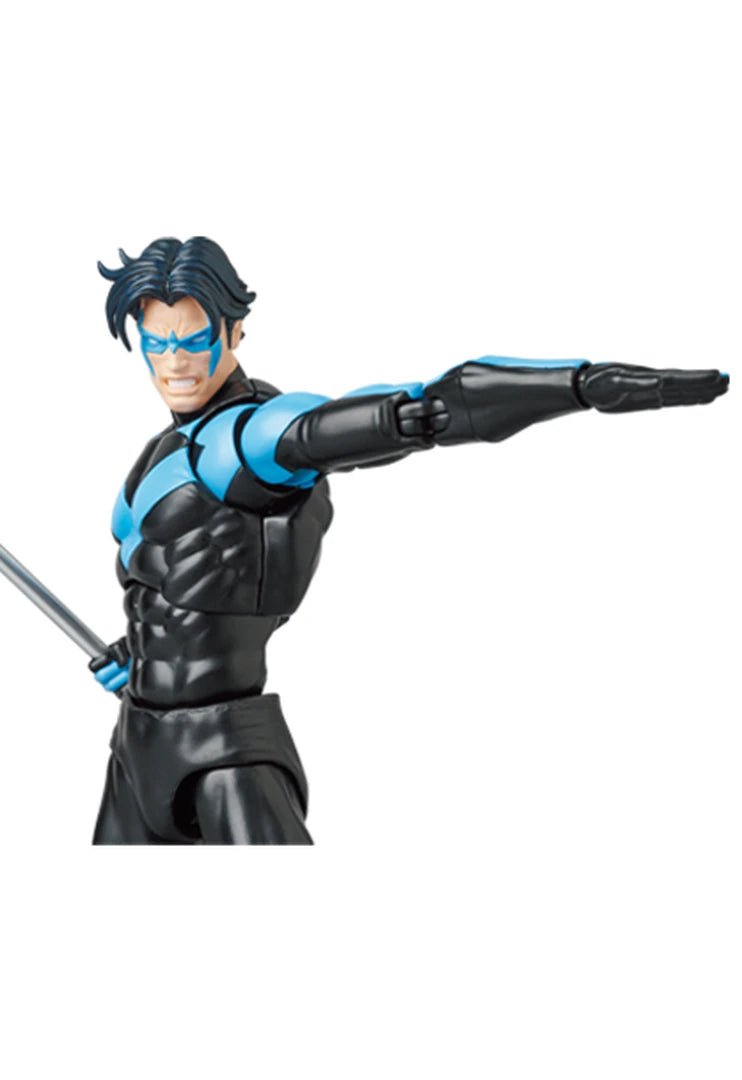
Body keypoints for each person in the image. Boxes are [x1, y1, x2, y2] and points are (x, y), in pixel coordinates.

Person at [91, 235, 729, 845]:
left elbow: (416, 413)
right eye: (156, 343)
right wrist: (139, 654)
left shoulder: (253, 436)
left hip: (223, 749)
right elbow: (185, 588)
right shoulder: (156, 457)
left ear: (233, 332)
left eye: (195, 339)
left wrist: (578, 386)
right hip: (138, 742)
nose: (174, 363)